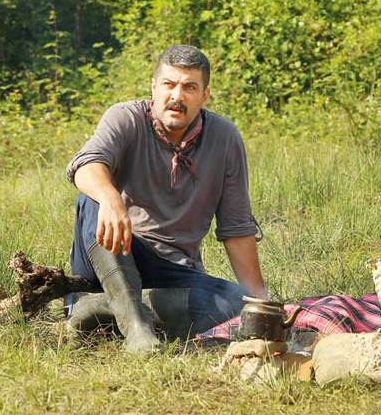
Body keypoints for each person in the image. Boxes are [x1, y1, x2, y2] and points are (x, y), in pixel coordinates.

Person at [64, 45, 268, 353]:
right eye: (169, 84)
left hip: (173, 269)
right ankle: (135, 327)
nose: (177, 95)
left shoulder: (225, 138)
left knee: (233, 306)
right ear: (154, 87)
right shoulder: (125, 117)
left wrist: (260, 303)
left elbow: (236, 228)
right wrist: (111, 198)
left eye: (189, 87)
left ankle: (96, 308)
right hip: (113, 250)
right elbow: (86, 165)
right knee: (92, 200)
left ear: (205, 95)